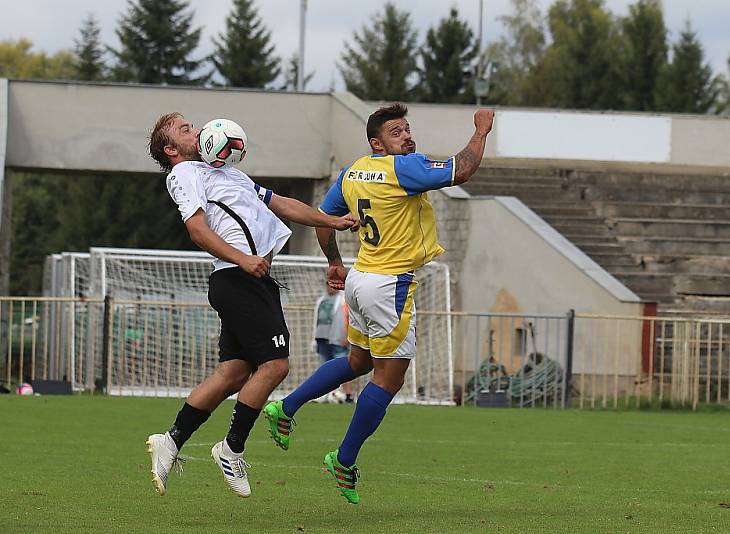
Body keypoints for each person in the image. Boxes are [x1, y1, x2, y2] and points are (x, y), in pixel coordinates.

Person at [264, 103, 494, 504]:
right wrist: (481, 130)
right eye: (396, 132)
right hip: (390, 285)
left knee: (358, 363)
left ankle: (286, 408)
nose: (407, 136)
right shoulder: (404, 169)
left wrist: (335, 261)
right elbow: (463, 169)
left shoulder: (353, 172)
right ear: (378, 143)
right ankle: (344, 459)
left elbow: (322, 218)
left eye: (407, 129)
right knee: (389, 381)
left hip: (360, 278)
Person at [144, 112, 358, 498]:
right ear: (171, 149)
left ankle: (171, 440)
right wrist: (243, 259)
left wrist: (332, 220)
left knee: (234, 372)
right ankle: (232, 448)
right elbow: (197, 230)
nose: (197, 129)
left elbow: (282, 203)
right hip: (238, 277)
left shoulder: (228, 174)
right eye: (185, 129)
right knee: (275, 365)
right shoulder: (183, 175)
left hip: (249, 279)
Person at [312, 284, 353, 402]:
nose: (330, 288)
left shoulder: (344, 300)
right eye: (328, 285)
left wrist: (348, 336)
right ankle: (322, 394)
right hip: (322, 338)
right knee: (324, 368)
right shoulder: (321, 300)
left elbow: (350, 318)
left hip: (338, 338)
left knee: (343, 368)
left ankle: (348, 395)